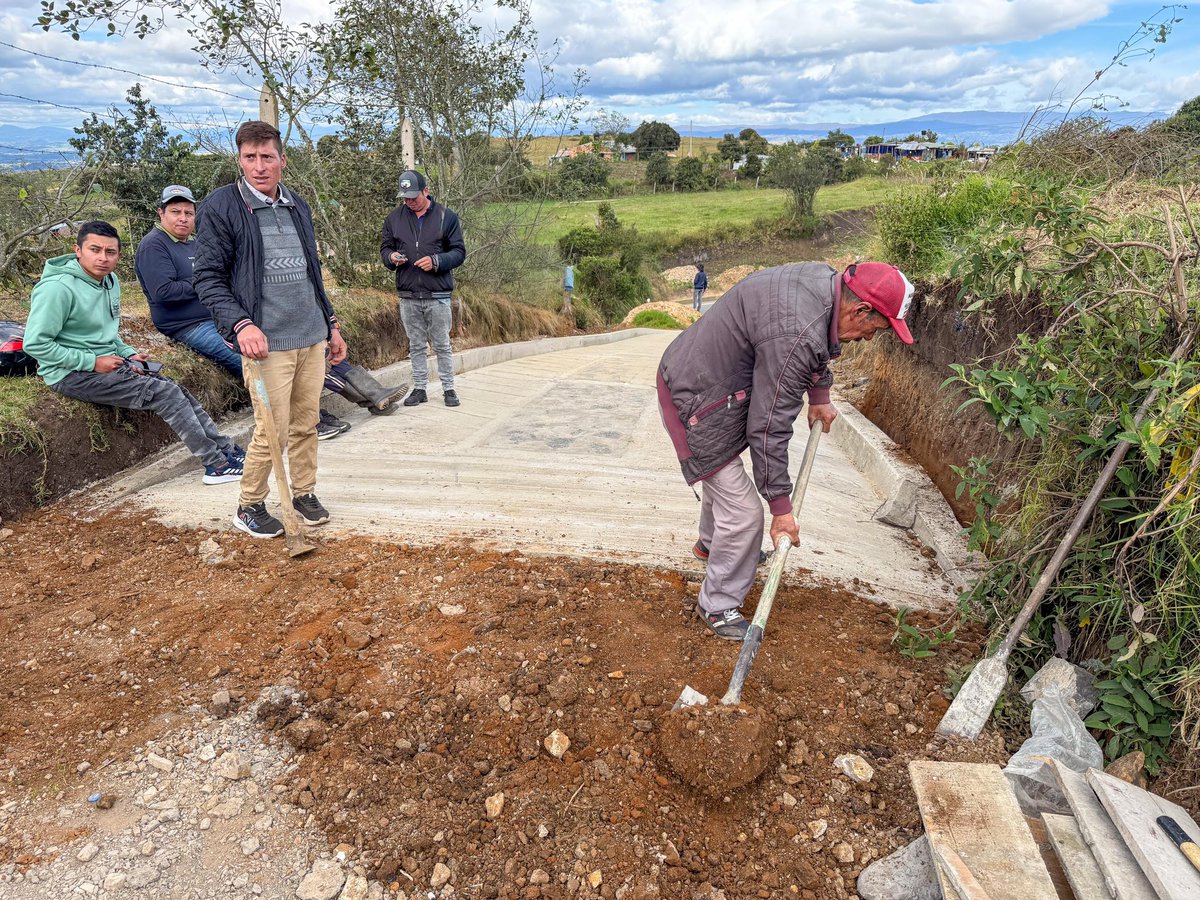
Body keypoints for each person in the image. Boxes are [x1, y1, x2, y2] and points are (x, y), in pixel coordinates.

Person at [657, 261, 914, 640]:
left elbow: (820, 347)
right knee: (744, 513)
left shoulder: (824, 285)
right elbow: (768, 427)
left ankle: (712, 547)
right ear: (860, 310)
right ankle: (717, 606)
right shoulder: (797, 333)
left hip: (701, 377)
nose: (871, 337)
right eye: (876, 327)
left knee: (725, 485)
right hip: (694, 402)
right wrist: (781, 509)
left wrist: (820, 395)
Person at [135, 184, 404, 440]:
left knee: (300, 344)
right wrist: (207, 282)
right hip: (189, 324)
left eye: (188, 212)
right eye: (175, 212)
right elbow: (164, 292)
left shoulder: (193, 244)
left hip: (221, 314)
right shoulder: (154, 245)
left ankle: (373, 394)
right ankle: (307, 421)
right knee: (259, 357)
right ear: (161, 213)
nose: (183, 218)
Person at [193, 120, 347, 540]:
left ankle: (304, 493)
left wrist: (330, 324)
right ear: (239, 158)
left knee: (306, 422)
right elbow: (207, 277)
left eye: (266, 157)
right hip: (266, 344)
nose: (258, 166)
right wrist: (240, 323)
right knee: (271, 427)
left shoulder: (297, 204)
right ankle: (249, 504)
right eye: (249, 158)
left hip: (311, 336)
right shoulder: (222, 206)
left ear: (282, 159)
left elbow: (311, 272)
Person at [24, 220, 245, 487]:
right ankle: (216, 465)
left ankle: (227, 451)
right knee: (166, 395)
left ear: (118, 255)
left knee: (175, 387)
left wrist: (128, 354)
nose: (103, 258)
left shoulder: (110, 281)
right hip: (70, 373)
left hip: (107, 363)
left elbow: (106, 333)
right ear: (78, 250)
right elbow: (35, 344)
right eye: (95, 250)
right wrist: (92, 362)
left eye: (110, 252)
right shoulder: (57, 289)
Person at [380, 170, 467, 408]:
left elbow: (459, 252)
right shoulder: (394, 218)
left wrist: (436, 261)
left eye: (413, 196)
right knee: (416, 344)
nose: (409, 201)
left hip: (437, 294)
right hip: (408, 294)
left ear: (426, 191)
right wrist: (392, 257)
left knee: (441, 343)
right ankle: (420, 388)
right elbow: (385, 249)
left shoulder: (446, 217)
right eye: (405, 197)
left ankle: (449, 389)